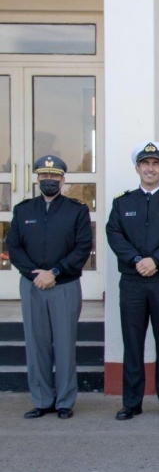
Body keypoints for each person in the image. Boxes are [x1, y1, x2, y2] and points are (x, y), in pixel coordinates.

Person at [106, 141, 159, 420]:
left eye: (156, 164)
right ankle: (131, 402)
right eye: (146, 164)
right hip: (132, 280)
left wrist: (155, 260)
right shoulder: (122, 203)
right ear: (137, 168)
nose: (150, 169)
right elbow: (114, 235)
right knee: (133, 342)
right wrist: (136, 260)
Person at [7, 155, 92, 419]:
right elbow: (14, 246)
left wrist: (54, 272)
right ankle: (42, 400)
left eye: (54, 177)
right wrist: (35, 275)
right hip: (33, 285)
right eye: (44, 176)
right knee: (36, 344)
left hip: (64, 284)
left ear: (63, 180)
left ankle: (65, 401)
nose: (49, 181)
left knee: (65, 345)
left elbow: (82, 248)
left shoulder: (76, 210)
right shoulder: (23, 210)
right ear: (37, 179)